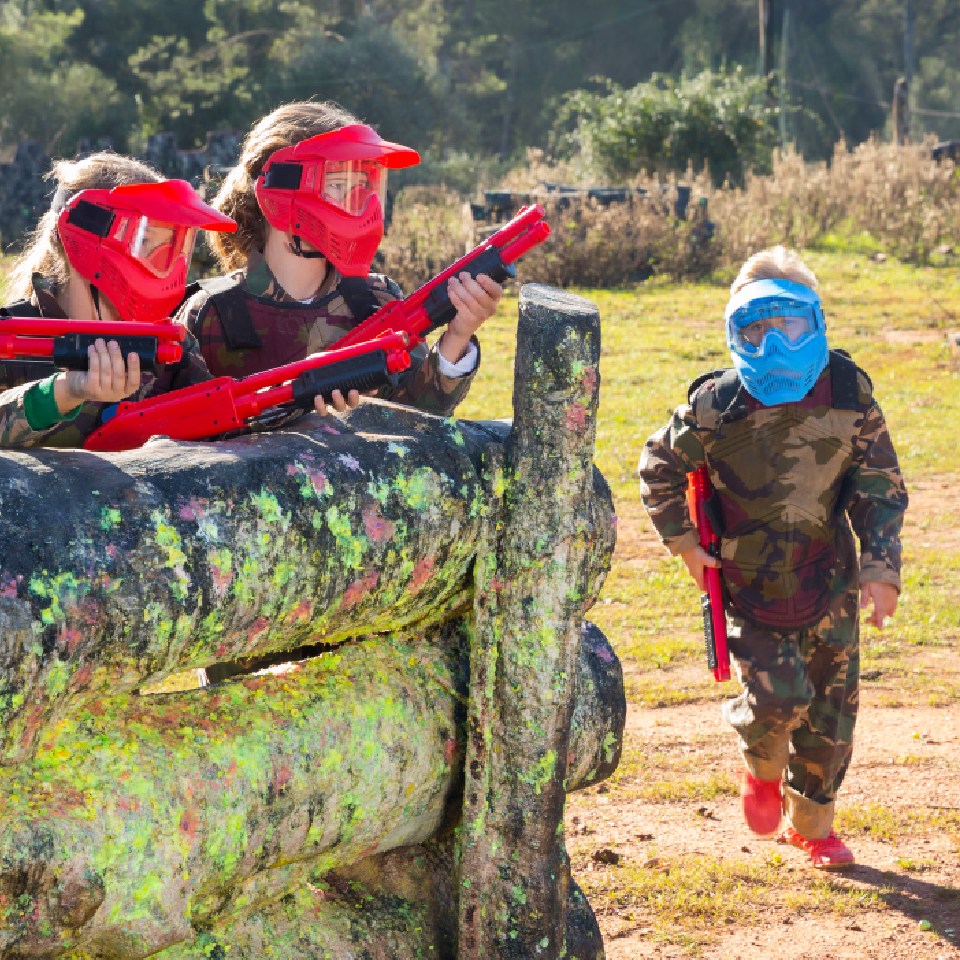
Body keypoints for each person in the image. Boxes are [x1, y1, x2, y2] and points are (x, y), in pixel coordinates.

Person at [638, 246, 908, 869]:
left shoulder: (847, 394)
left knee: (831, 711)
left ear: (814, 323)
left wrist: (880, 568)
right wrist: (686, 546)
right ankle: (761, 769)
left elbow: (878, 485)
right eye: (755, 329)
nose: (774, 345)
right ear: (736, 331)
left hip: (831, 575)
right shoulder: (717, 406)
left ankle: (813, 826)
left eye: (788, 326)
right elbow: (658, 467)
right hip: (750, 580)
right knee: (777, 700)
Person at [177, 101, 503, 418]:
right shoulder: (212, 314)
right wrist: (299, 415)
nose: (358, 204)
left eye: (363, 186)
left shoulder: (374, 301)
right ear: (278, 190)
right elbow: (176, 443)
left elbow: (419, 415)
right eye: (338, 186)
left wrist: (458, 336)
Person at [0, 151, 235, 447]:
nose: (164, 264)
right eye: (145, 242)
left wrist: (299, 398)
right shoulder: (13, 338)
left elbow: (224, 424)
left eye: (173, 245)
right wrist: (66, 391)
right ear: (80, 240)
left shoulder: (168, 348)